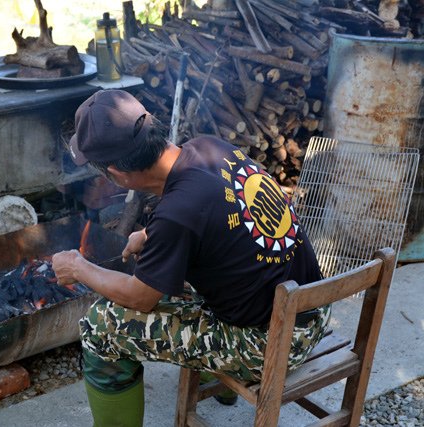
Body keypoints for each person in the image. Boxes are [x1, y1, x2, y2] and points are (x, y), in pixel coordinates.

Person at [51, 89, 329, 427]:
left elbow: (141, 297)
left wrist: (79, 267)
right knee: (187, 272)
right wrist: (150, 234)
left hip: (271, 344)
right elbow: (222, 212)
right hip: (311, 306)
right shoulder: (210, 147)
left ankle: (226, 367)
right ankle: (222, 386)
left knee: (101, 327)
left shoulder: (177, 214)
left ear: (119, 174)